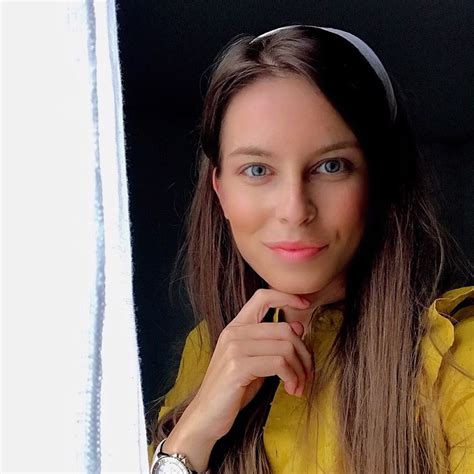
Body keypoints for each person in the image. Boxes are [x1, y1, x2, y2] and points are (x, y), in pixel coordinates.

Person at [148, 25, 474, 473]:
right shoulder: (211, 350)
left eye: (331, 166)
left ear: (380, 181)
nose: (295, 210)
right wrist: (193, 434)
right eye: (258, 169)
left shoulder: (459, 355)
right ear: (220, 191)